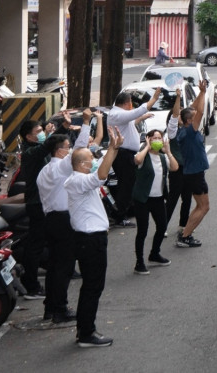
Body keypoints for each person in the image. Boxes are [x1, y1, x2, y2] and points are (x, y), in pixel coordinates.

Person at [65, 126, 122, 348]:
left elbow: (100, 173)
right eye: (91, 158)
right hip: (90, 240)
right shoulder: (78, 181)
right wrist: (110, 149)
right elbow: (101, 175)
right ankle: (86, 333)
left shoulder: (79, 179)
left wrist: (114, 149)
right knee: (92, 286)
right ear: (82, 164)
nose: (94, 160)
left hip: (92, 238)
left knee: (92, 285)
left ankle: (85, 329)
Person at [36, 109, 92, 324]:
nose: (70, 151)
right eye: (67, 148)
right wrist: (86, 123)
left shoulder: (45, 171)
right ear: (59, 151)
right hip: (62, 220)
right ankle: (59, 308)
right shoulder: (60, 168)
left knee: (54, 266)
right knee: (64, 267)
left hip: (51, 219)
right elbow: (81, 149)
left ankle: (51, 307)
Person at [19, 117, 69, 300]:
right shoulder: (30, 153)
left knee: (47, 242)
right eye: (38, 131)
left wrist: (58, 130)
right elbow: (45, 147)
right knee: (36, 245)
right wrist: (57, 130)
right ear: (28, 136)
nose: (41, 133)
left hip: (45, 201)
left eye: (42, 130)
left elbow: (50, 146)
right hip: (36, 202)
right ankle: (31, 285)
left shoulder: (38, 149)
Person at [106, 87, 163, 226]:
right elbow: (135, 113)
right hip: (123, 154)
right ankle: (119, 216)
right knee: (127, 185)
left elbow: (132, 121)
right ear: (126, 103)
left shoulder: (119, 115)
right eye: (130, 103)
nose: (131, 105)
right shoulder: (117, 114)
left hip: (125, 153)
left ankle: (121, 213)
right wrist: (153, 99)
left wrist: (143, 117)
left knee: (128, 184)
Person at [132, 129, 179, 274]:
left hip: (158, 198)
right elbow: (137, 160)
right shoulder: (143, 156)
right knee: (143, 230)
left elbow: (175, 167)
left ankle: (154, 254)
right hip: (142, 199)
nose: (158, 140)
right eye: (154, 138)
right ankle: (139, 262)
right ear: (148, 139)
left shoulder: (163, 157)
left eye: (160, 138)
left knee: (162, 226)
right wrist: (146, 147)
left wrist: (168, 151)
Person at [175, 79, 211, 248]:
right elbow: (200, 112)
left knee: (200, 206)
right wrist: (203, 93)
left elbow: (195, 108)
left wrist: (200, 92)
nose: (196, 114)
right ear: (190, 121)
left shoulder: (185, 128)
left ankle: (185, 233)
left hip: (194, 174)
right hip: (194, 175)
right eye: (193, 116)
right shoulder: (189, 131)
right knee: (204, 207)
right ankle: (185, 236)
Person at [165, 97, 192, 233]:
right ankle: (163, 226)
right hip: (177, 169)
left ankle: (183, 226)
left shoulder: (188, 129)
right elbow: (175, 115)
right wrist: (178, 96)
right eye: (179, 114)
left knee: (187, 199)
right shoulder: (172, 131)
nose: (182, 115)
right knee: (172, 199)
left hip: (188, 169)